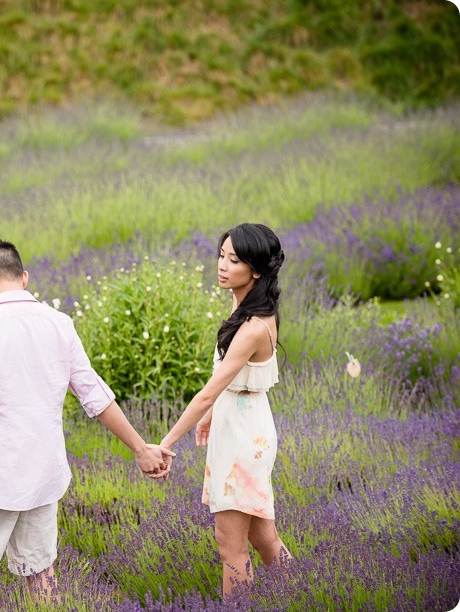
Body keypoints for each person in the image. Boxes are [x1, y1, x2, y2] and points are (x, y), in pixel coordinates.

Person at [0, 238, 174, 606]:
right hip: (42, 473)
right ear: (24, 277)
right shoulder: (59, 323)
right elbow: (95, 395)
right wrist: (140, 447)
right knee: (40, 571)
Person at [159, 223, 292, 598]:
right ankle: (306, 594)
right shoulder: (245, 303)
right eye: (221, 255)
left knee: (230, 548)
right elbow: (232, 376)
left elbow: (208, 391)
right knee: (264, 538)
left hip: (243, 436)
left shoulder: (254, 325)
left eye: (234, 260)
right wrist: (211, 415)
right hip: (241, 421)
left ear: (256, 270)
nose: (222, 265)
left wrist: (166, 443)